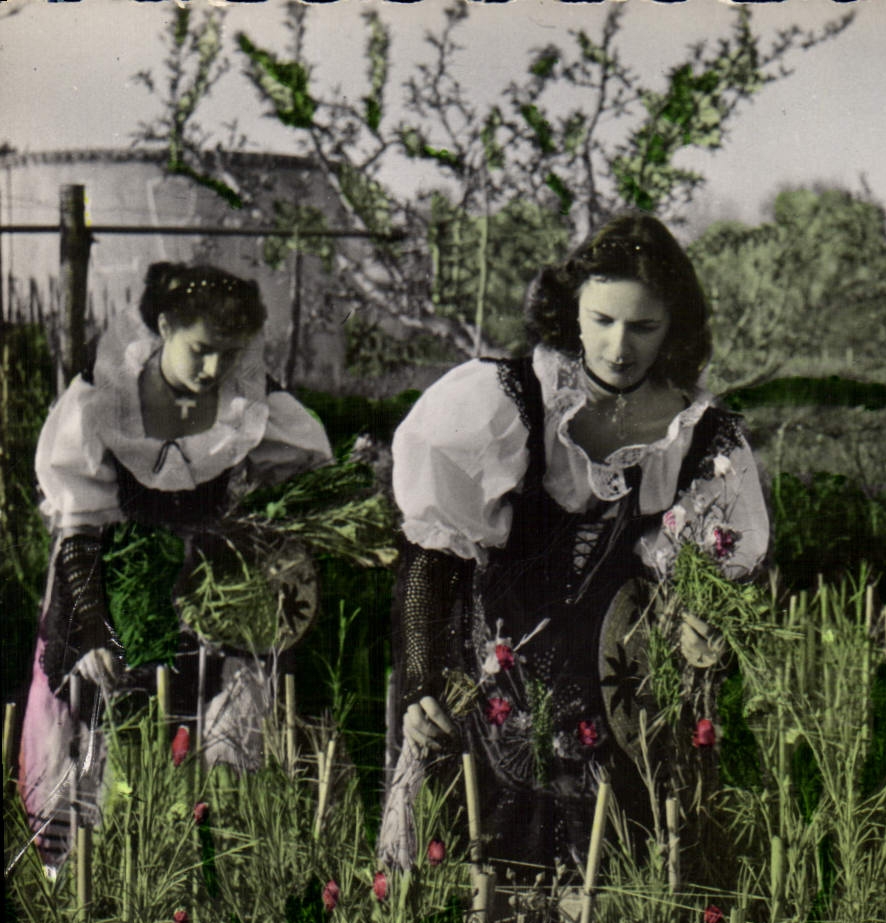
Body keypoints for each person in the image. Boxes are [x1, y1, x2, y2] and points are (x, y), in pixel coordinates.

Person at [378, 211, 769, 878]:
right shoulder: (502, 406)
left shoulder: (701, 440)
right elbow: (431, 557)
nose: (620, 346)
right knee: (474, 899)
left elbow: (717, 584)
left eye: (643, 326)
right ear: (572, 314)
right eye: (602, 321)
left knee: (605, 915)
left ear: (674, 327)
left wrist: (704, 627)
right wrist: (421, 680)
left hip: (616, 727)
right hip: (487, 709)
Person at [23, 261, 333, 870]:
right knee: (108, 776)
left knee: (211, 779)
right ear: (164, 326)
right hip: (109, 605)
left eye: (228, 354)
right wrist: (92, 632)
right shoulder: (102, 399)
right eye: (200, 351)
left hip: (205, 610)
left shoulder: (247, 399)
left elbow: (297, 482)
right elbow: (81, 531)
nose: (214, 369)